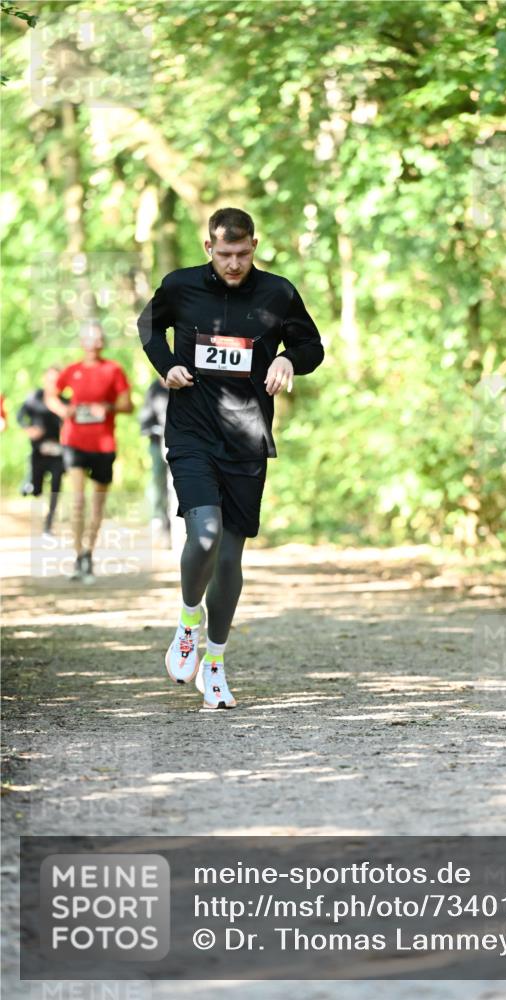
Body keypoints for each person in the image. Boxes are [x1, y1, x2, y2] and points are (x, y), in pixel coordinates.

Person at [137, 206, 324, 711]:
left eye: (243, 254)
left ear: (254, 247)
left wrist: (288, 358)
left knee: (229, 557)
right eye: (225, 254)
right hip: (192, 431)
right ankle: (186, 621)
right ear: (209, 249)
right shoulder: (180, 286)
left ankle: (214, 665)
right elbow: (149, 327)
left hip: (247, 437)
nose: (234, 263)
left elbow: (312, 345)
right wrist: (168, 364)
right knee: (204, 531)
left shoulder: (278, 293)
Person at [45, 321, 133, 583]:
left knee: (97, 504)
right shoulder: (72, 370)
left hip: (104, 444)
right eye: (89, 339)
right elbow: (51, 396)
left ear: (103, 342)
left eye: (98, 339)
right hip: (74, 441)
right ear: (82, 343)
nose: (94, 343)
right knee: (78, 500)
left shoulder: (113, 370)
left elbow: (128, 405)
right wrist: (64, 411)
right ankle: (77, 556)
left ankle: (88, 554)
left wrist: (108, 408)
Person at [17, 367, 65, 536]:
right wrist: (28, 428)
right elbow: (20, 415)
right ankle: (29, 481)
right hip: (38, 451)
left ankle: (48, 523)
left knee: (56, 487)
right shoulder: (34, 398)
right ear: (45, 380)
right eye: (50, 380)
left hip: (58, 453)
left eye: (57, 380)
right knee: (36, 489)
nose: (53, 384)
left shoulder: (64, 402)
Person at [139, 376, 173, 547]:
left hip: (182, 443)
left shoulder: (187, 382)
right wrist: (150, 429)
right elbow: (145, 415)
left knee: (178, 485)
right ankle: (159, 522)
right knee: (158, 482)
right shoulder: (154, 388)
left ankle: (180, 529)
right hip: (158, 441)